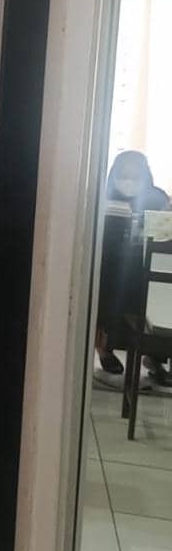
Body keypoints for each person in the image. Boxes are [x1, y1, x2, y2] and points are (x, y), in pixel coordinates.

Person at [94, 150, 171, 390]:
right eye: (124, 172)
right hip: (109, 265)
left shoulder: (157, 198)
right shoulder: (100, 195)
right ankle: (104, 350)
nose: (129, 178)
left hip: (144, 265)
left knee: (150, 303)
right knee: (105, 301)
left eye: (135, 172)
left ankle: (155, 359)